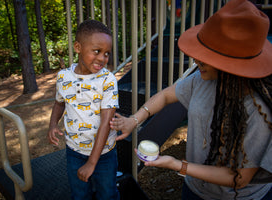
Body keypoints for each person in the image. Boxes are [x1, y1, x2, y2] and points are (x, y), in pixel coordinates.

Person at [110, 0, 272, 199]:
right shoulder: (202, 79)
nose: (196, 61)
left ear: (232, 65)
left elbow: (239, 177)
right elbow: (166, 95)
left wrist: (178, 165)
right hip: (193, 189)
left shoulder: (259, 110)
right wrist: (134, 119)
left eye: (207, 57)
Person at [48, 19, 120, 200]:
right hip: (74, 151)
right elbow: (59, 103)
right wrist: (52, 124)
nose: (103, 58)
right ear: (78, 47)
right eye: (97, 51)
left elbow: (106, 122)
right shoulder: (63, 77)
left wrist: (92, 162)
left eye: (107, 53)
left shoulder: (107, 80)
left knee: (108, 194)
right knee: (79, 195)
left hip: (104, 155)